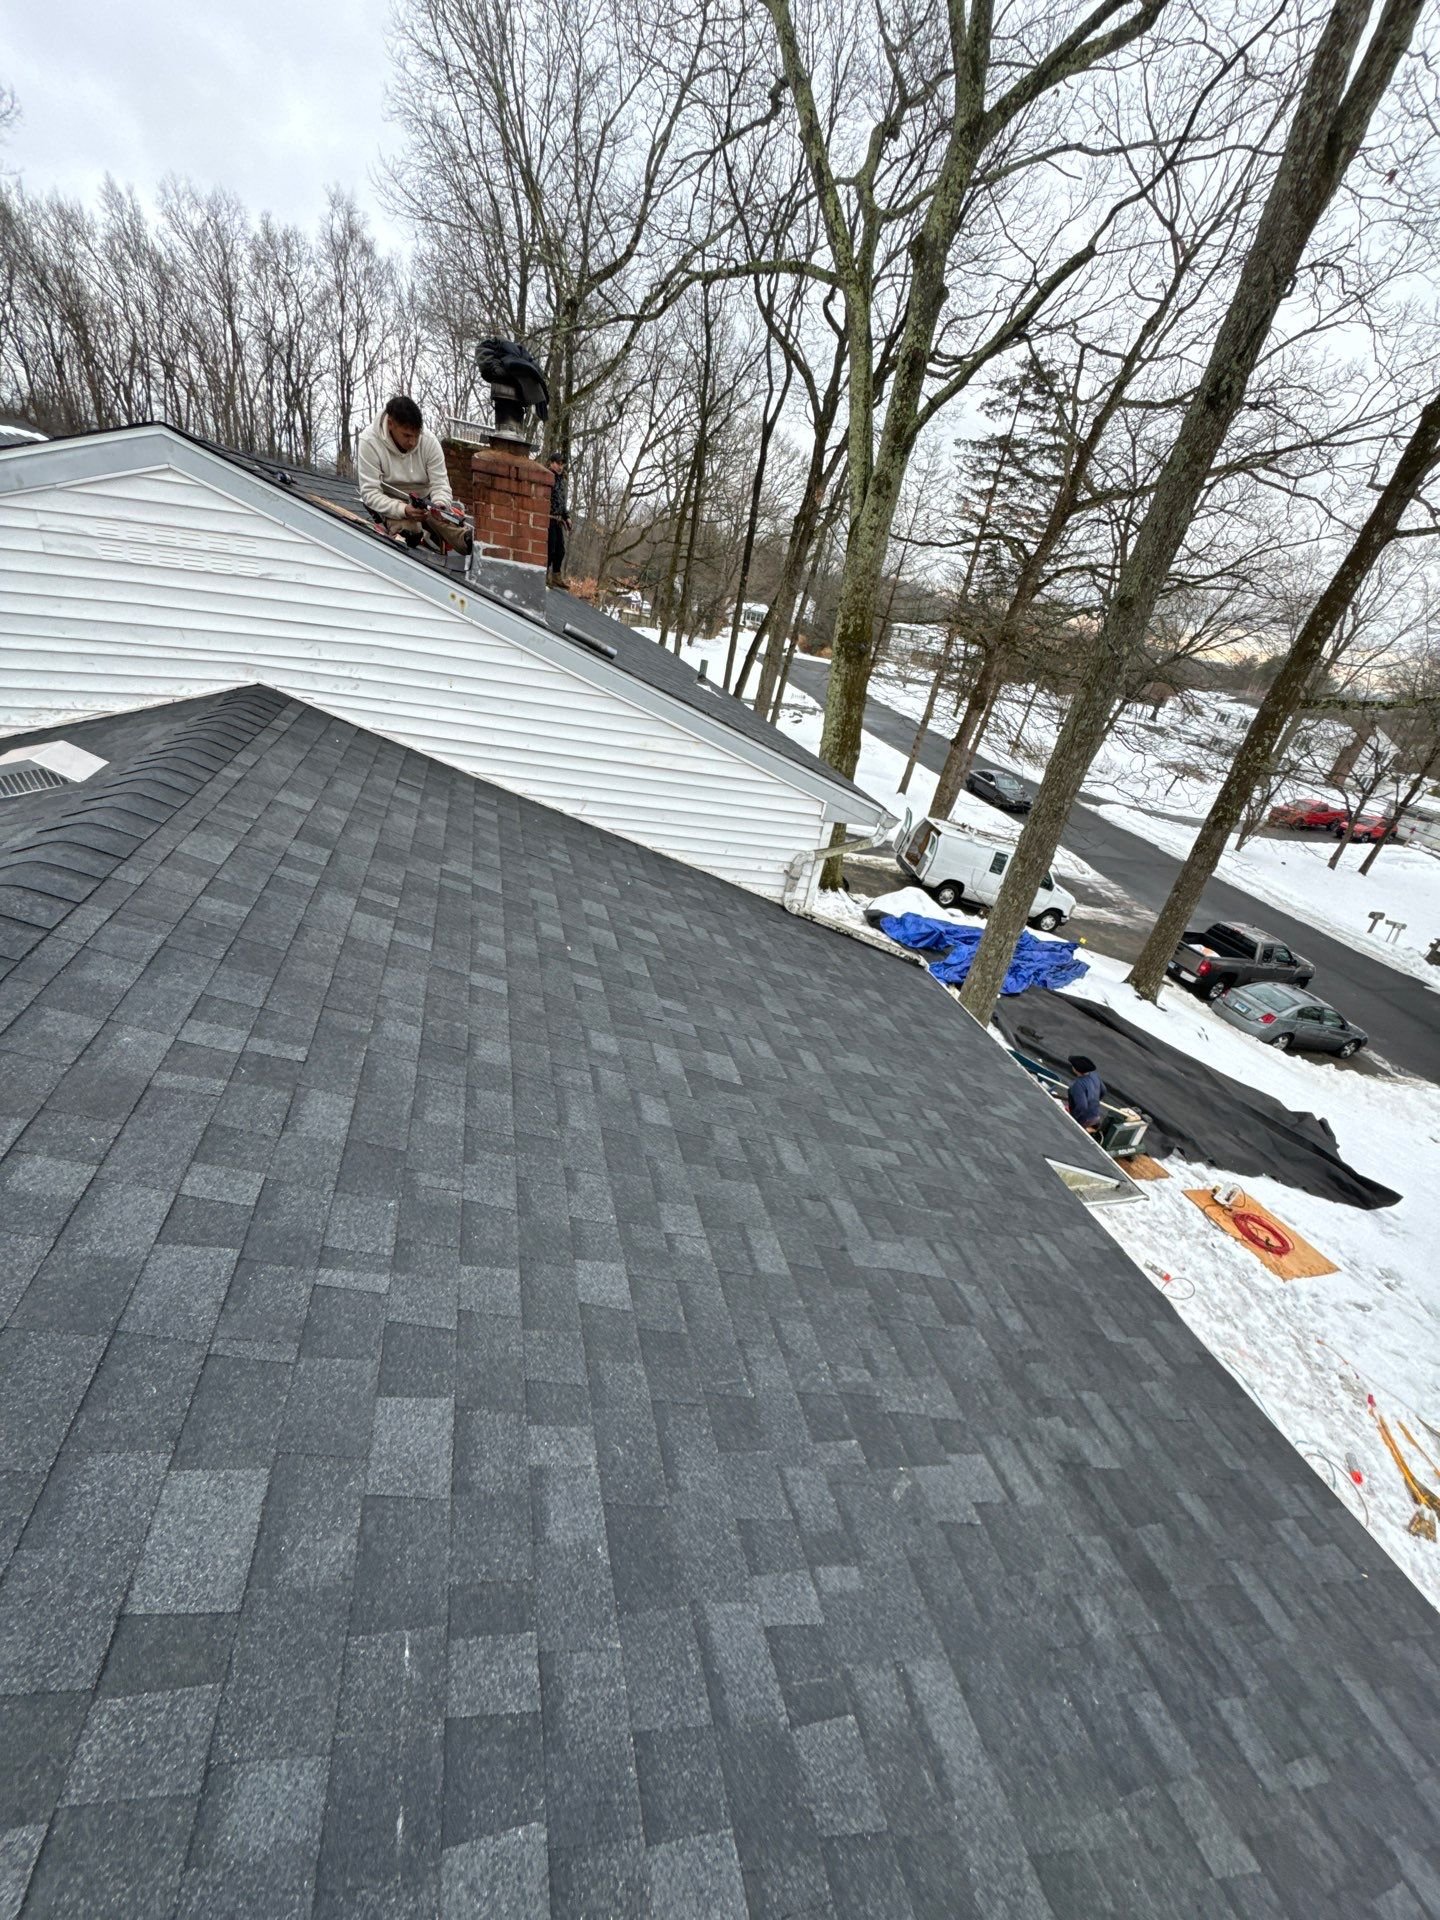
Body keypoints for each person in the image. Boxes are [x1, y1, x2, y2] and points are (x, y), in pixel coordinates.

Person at [356, 396, 471, 555]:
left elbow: (441, 484)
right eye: (407, 435)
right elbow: (370, 493)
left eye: (416, 435)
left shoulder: (429, 442)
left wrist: (440, 504)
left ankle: (466, 541)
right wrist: (403, 510)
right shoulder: (369, 442)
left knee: (447, 525)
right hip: (390, 502)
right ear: (390, 424)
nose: (413, 442)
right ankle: (415, 534)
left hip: (426, 501)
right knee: (411, 531)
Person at [546, 452, 571, 585]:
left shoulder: (562, 480)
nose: (560, 467)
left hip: (558, 519)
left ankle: (556, 576)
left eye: (562, 464)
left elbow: (562, 502)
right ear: (552, 463)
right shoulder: (547, 476)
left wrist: (567, 517)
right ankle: (545, 575)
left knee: (560, 550)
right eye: (558, 463)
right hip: (548, 518)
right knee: (550, 548)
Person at [1066, 1054, 1106, 1133]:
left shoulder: (1078, 1085)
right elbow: (1103, 1091)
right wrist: (1093, 1101)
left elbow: (1082, 1106)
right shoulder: (1094, 1075)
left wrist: (1072, 1117)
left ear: (1075, 1069)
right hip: (1095, 1117)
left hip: (1084, 1121)